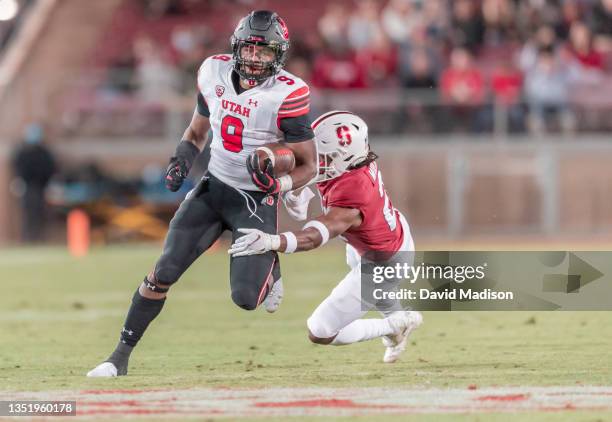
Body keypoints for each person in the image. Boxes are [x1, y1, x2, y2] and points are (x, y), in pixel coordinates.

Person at [87, 10, 317, 377]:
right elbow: (196, 131)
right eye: (251, 50)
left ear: (280, 55)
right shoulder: (213, 71)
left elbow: (309, 165)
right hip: (213, 188)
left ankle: (271, 264)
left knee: (246, 299)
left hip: (255, 199)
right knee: (163, 271)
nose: (256, 59)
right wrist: (181, 156)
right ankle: (118, 356)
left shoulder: (289, 93)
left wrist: (280, 183)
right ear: (237, 47)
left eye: (265, 52)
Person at [229, 111, 422, 363]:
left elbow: (313, 236)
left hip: (384, 262)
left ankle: (396, 326)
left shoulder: (354, 194)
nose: (316, 161)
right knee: (380, 295)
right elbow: (310, 164)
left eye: (324, 156)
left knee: (320, 330)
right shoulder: (352, 161)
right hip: (382, 238)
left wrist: (271, 241)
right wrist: (294, 188)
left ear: (343, 158)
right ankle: (397, 327)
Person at [11, 124, 56, 243]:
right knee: (27, 214)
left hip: (41, 187)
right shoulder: (22, 152)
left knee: (39, 214)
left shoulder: (44, 152)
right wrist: (19, 181)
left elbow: (50, 168)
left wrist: (48, 183)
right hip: (27, 187)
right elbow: (17, 168)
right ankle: (27, 239)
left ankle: (38, 238)